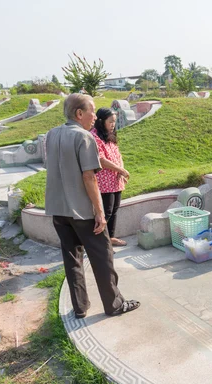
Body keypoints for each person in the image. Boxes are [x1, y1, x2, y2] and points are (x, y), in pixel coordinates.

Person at [44, 93, 140, 318]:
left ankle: (80, 307)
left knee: (72, 258)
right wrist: (99, 212)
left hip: (58, 210)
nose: (95, 116)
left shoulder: (51, 135)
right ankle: (114, 304)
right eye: (92, 111)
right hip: (82, 212)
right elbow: (89, 178)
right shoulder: (84, 137)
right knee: (103, 256)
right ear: (79, 113)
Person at [90, 108, 129, 246]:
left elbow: (118, 154)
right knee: (106, 212)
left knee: (114, 210)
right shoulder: (94, 137)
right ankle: (101, 242)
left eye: (114, 121)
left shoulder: (109, 135)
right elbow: (101, 159)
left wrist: (121, 170)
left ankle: (110, 238)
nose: (113, 124)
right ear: (101, 121)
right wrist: (121, 170)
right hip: (104, 181)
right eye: (110, 121)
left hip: (115, 179)